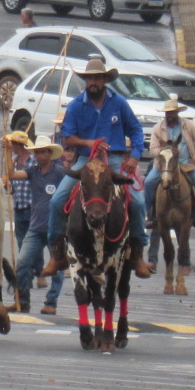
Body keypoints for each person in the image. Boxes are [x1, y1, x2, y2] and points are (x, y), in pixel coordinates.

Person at [41, 57, 151, 278]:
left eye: (98, 77)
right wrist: (88, 143)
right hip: (85, 160)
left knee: (138, 202)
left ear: (104, 80)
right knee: (57, 200)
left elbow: (136, 131)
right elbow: (68, 137)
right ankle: (57, 253)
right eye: (90, 77)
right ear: (86, 80)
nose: (94, 81)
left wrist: (135, 157)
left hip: (115, 160)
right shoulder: (75, 106)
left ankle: (138, 254)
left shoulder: (118, 103)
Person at [8, 133, 68, 313]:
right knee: (22, 262)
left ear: (50, 153)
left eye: (43, 152)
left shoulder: (59, 172)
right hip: (35, 227)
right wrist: (8, 153)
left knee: (57, 266)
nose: (40, 156)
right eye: (38, 152)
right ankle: (23, 301)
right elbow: (11, 175)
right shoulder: (33, 171)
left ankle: (51, 302)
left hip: (55, 228)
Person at [144, 98, 195, 228]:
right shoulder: (157, 129)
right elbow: (152, 149)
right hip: (164, 166)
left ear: (177, 113)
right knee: (148, 182)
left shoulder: (188, 125)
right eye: (167, 113)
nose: (170, 115)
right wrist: (164, 152)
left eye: (172, 112)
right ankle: (150, 215)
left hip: (186, 165)